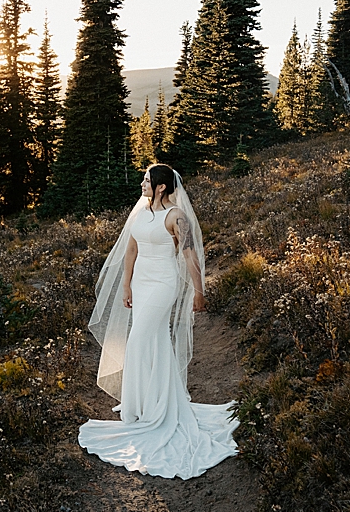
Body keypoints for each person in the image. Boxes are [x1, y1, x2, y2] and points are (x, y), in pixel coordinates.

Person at [77, 163, 239, 479]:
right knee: (155, 341)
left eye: (147, 180)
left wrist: (199, 291)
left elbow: (190, 254)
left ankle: (143, 410)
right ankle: (152, 403)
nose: (142, 183)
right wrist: (126, 284)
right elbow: (131, 250)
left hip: (164, 284)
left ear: (162, 187)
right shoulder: (140, 213)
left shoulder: (176, 217)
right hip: (141, 282)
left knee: (138, 340)